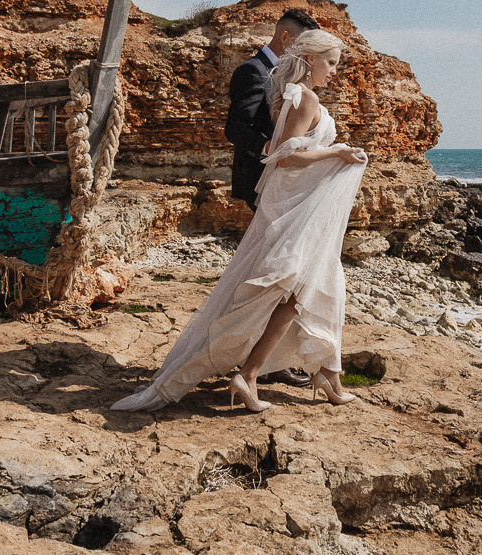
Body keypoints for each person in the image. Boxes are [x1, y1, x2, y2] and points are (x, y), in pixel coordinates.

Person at [113, 28, 370, 412]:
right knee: (291, 290)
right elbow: (285, 157)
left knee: (309, 286)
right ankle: (261, 374)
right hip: (294, 211)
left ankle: (318, 374)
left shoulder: (292, 95)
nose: (334, 71)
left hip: (295, 206)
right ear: (311, 59)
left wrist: (334, 154)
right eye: (331, 63)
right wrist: (338, 153)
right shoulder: (305, 98)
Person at [227, 7, 318, 211]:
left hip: (283, 177)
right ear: (285, 37)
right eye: (302, 44)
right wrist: (272, 148)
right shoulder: (253, 70)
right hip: (259, 175)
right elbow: (234, 126)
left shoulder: (291, 74)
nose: (306, 53)